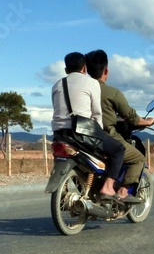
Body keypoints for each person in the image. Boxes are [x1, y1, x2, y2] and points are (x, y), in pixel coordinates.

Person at [51, 52, 130, 202]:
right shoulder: (91, 83)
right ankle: (107, 187)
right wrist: (100, 132)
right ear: (84, 69)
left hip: (59, 134)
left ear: (66, 70)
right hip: (83, 133)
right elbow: (97, 113)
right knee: (118, 149)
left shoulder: (56, 85)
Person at [85, 49, 154, 191]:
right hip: (106, 136)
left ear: (87, 70)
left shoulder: (82, 90)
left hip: (83, 135)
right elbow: (131, 116)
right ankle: (122, 193)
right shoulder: (112, 92)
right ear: (106, 70)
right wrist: (148, 122)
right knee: (138, 158)